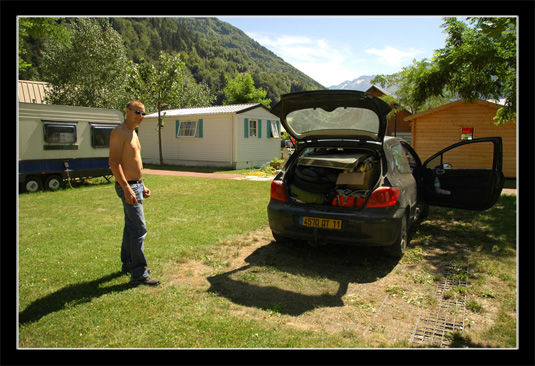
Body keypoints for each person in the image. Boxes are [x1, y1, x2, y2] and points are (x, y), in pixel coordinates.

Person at [109, 100, 160, 286]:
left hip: (136, 185)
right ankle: (139, 273)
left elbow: (134, 162)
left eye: (143, 114)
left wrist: (141, 184)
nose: (141, 117)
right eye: (137, 112)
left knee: (130, 227)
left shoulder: (133, 134)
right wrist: (127, 188)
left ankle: (129, 263)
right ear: (127, 111)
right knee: (139, 229)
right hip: (127, 187)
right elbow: (114, 163)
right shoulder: (119, 132)